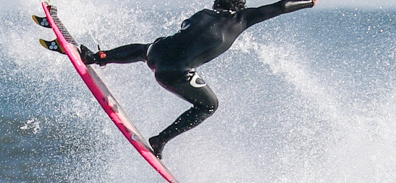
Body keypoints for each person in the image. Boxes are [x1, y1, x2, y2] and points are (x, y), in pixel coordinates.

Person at [44, 0, 317, 158]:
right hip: (174, 74)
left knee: (145, 49)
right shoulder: (242, 18)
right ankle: (160, 140)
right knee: (209, 106)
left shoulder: (202, 13)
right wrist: (310, 1)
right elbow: (281, 6)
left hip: (156, 53)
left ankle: (98, 57)